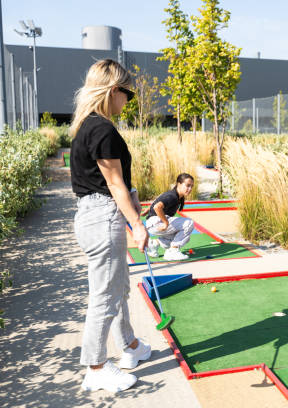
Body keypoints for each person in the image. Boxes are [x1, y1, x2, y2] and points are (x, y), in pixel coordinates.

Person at [70, 59, 151, 393]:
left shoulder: (88, 126)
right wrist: (138, 224)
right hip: (103, 217)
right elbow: (113, 184)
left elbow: (113, 183)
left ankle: (129, 346)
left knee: (117, 288)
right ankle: (96, 367)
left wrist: (130, 199)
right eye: (127, 93)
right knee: (105, 295)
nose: (128, 101)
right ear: (113, 90)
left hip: (96, 214)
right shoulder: (102, 129)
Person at [144, 173, 195, 261]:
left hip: (152, 224)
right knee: (189, 223)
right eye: (187, 185)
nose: (190, 189)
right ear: (179, 184)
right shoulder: (172, 196)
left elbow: (160, 199)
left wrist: (148, 209)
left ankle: (154, 244)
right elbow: (157, 207)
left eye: (191, 186)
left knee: (184, 237)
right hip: (156, 222)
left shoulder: (177, 196)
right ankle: (173, 251)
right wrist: (165, 223)